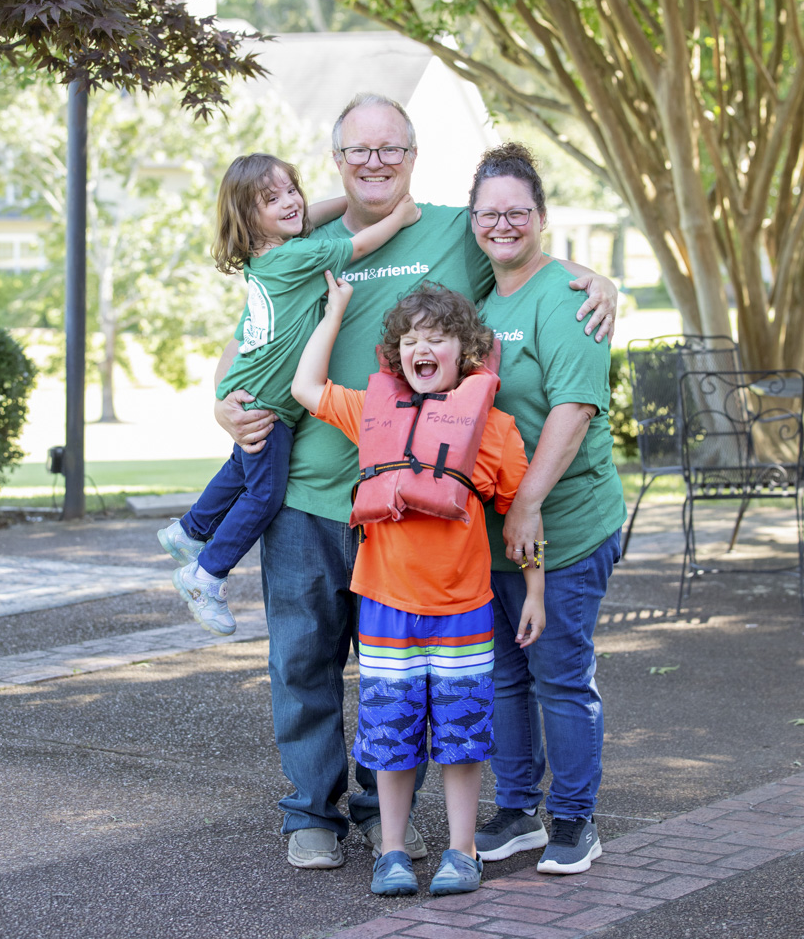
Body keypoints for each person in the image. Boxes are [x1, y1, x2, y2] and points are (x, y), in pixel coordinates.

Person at [212, 93, 617, 870]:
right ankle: (311, 814)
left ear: (412, 156)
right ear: (335, 159)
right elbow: (247, 340)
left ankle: (381, 811)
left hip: (414, 510)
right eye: (359, 150)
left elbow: (519, 250)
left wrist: (596, 278)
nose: (375, 162)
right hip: (305, 491)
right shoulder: (303, 238)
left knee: (402, 667)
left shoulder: (446, 229)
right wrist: (223, 403)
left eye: (390, 149)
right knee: (303, 660)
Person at [291, 279, 545, 896]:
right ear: (395, 354)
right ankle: (394, 852)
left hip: (463, 609)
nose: (421, 349)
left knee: (461, 737)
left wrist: (534, 592)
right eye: (410, 340)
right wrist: (335, 312)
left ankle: (463, 853)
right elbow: (305, 388)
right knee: (390, 735)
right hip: (384, 606)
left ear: (468, 351)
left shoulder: (493, 429)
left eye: (437, 339)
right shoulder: (372, 411)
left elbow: (523, 518)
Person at [156, 150, 419, 635]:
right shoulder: (298, 258)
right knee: (264, 495)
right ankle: (205, 574)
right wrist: (398, 213)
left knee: (240, 468)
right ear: (249, 218)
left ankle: (190, 531)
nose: (292, 202)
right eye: (271, 199)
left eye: (291, 190)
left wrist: (346, 196)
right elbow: (359, 245)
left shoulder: (267, 257)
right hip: (269, 405)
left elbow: (310, 215)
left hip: (251, 390)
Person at [468, 141, 626, 875]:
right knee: (503, 672)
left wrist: (528, 503)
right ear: (474, 220)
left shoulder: (567, 299)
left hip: (563, 521)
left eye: (517, 211)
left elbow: (576, 407)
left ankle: (573, 820)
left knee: (558, 671)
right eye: (490, 212)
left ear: (542, 217)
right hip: (494, 529)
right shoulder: (480, 299)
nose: (504, 224)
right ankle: (518, 809)